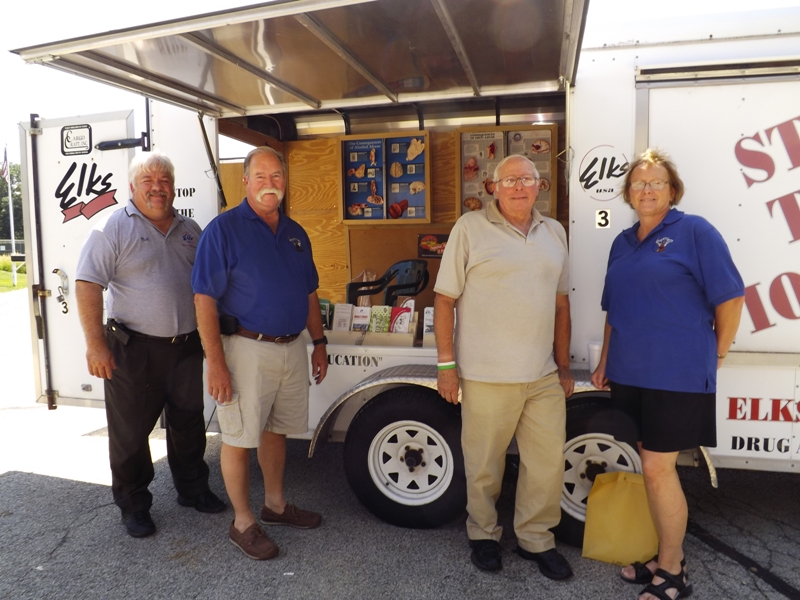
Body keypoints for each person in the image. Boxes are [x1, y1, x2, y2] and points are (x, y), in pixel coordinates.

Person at [590, 148, 744, 600]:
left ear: (672, 191)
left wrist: (717, 352)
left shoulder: (695, 231)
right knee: (651, 467)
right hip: (629, 372)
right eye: (639, 183)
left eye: (656, 182)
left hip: (675, 374)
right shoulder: (622, 242)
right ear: (628, 193)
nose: (647, 189)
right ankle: (665, 557)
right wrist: (605, 361)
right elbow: (614, 308)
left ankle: (674, 572)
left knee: (659, 469)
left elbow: (731, 297)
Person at [434, 154, 574, 580]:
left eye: (526, 179)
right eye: (509, 180)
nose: (518, 187)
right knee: (484, 464)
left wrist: (564, 366)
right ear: (492, 187)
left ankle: (536, 539)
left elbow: (561, 304)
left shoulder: (555, 232)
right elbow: (444, 300)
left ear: (539, 185)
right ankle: (483, 535)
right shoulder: (470, 227)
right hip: (485, 374)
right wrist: (446, 365)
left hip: (542, 375)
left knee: (546, 465)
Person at [75, 152, 225, 539]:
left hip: (185, 346)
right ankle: (134, 505)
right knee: (131, 432)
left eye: (164, 181)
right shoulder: (113, 227)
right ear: (132, 187)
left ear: (173, 187)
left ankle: (193, 489)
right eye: (148, 181)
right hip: (133, 349)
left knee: (189, 422)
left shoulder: (190, 229)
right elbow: (87, 283)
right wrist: (95, 345)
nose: (158, 188)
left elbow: (206, 287)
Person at [192, 146, 328, 561]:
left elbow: (309, 293)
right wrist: (215, 362)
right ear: (246, 181)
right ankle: (243, 522)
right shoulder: (223, 230)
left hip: (291, 348)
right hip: (244, 350)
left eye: (277, 176)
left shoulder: (295, 232)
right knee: (237, 438)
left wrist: (319, 342)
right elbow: (203, 299)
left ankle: (275, 505)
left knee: (276, 431)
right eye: (261, 176)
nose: (270, 183)